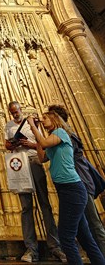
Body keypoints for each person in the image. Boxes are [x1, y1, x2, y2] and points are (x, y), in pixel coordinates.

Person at [27, 111, 105, 265]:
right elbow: (42, 158)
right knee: (85, 238)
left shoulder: (61, 133)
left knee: (66, 239)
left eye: (45, 117)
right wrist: (37, 136)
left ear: (55, 119)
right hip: (66, 190)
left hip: (73, 189)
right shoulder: (52, 140)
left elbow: (44, 142)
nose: (42, 119)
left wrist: (33, 126)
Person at [4, 101, 65, 263]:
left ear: (20, 109)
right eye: (12, 112)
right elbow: (6, 145)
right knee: (26, 207)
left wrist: (29, 144)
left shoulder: (33, 122)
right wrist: (13, 144)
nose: (15, 114)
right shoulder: (8, 126)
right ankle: (31, 249)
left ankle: (55, 247)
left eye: (16, 111)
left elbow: (43, 142)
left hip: (34, 160)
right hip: (19, 165)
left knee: (44, 203)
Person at [48, 104, 105, 255]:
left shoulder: (65, 135)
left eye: (47, 117)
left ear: (56, 118)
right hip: (73, 185)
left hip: (79, 184)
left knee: (93, 224)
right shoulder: (63, 134)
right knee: (83, 228)